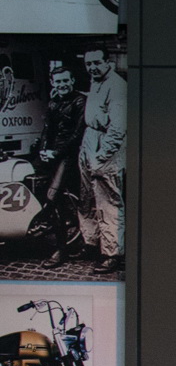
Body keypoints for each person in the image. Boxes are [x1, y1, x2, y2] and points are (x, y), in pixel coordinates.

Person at [77, 47, 124, 273]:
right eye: (89, 64)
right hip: (90, 139)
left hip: (104, 145)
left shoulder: (117, 86)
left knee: (108, 201)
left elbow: (118, 128)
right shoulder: (96, 82)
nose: (92, 68)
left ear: (108, 62)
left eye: (97, 62)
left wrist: (101, 156)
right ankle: (91, 243)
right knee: (86, 197)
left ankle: (112, 253)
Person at [33, 57, 84, 260]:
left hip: (68, 155)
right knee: (36, 187)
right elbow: (47, 129)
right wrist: (43, 150)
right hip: (52, 154)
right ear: (52, 82)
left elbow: (77, 134)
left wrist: (56, 152)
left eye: (65, 80)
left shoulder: (79, 101)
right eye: (58, 81)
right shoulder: (54, 101)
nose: (62, 84)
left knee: (54, 197)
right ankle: (40, 225)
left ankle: (61, 249)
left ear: (72, 81)